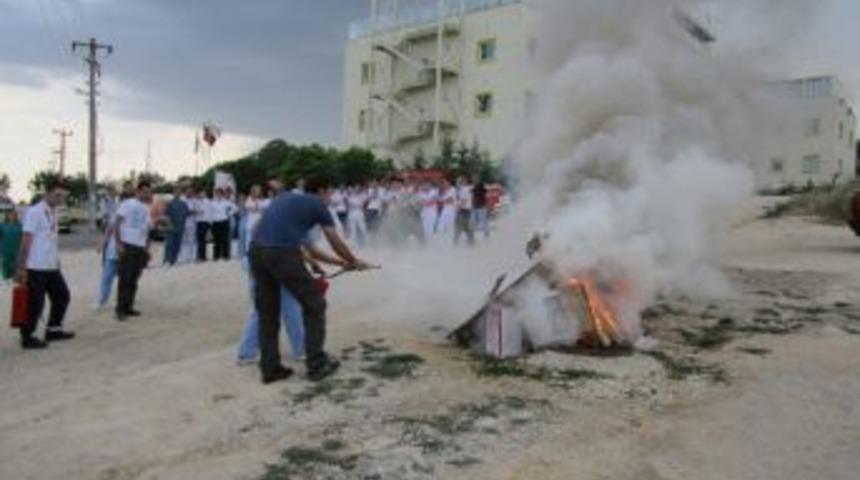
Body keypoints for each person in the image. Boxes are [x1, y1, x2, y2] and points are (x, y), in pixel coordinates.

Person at [250, 177, 372, 384]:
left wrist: (343, 264)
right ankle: (316, 365)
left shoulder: (287, 199)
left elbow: (311, 250)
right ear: (322, 190)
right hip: (281, 253)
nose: (331, 198)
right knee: (315, 305)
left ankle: (270, 369)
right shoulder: (318, 206)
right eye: (330, 193)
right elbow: (334, 240)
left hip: (257, 251)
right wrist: (352, 260)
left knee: (268, 313)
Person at [15, 180, 74, 349]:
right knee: (35, 303)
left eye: (63, 196)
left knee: (62, 296)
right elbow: (26, 240)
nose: (60, 199)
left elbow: (50, 240)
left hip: (51, 265)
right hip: (35, 266)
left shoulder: (54, 211)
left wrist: (57, 261)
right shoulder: (35, 212)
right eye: (57, 195)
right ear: (46, 193)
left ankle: (54, 329)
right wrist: (21, 267)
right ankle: (27, 337)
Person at [114, 181, 154, 321]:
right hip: (127, 244)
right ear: (138, 191)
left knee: (134, 278)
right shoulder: (128, 204)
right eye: (144, 191)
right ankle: (120, 309)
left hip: (140, 246)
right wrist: (118, 243)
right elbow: (117, 223)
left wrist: (147, 248)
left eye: (149, 192)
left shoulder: (147, 207)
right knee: (125, 278)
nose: (147, 194)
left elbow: (147, 228)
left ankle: (128, 306)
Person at [163, 186, 190, 266]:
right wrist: (168, 224)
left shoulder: (183, 204)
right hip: (171, 227)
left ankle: (173, 260)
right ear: (173, 193)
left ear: (180, 194)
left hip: (180, 227)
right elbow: (166, 215)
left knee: (177, 244)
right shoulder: (169, 203)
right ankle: (166, 260)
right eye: (175, 192)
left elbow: (186, 213)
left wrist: (194, 212)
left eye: (179, 192)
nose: (177, 193)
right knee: (169, 244)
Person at [1, 207, 22, 284]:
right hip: (5, 250)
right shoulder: (2, 225)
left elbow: (23, 237)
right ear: (8, 215)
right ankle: (5, 278)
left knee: (16, 265)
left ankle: (15, 278)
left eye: (16, 214)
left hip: (17, 250)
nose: (14, 216)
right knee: (5, 265)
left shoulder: (20, 226)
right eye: (12, 214)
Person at [454, 176, 475, 246]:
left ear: (463, 182)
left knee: (459, 226)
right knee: (465, 226)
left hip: (464, 210)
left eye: (458, 182)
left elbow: (463, 200)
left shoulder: (464, 189)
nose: (457, 183)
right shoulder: (462, 189)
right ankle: (471, 241)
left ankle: (456, 242)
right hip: (465, 210)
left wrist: (457, 208)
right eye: (457, 182)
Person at [179, 188, 197, 263]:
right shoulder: (181, 199)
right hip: (182, 223)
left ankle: (191, 257)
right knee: (182, 241)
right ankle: (181, 258)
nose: (189, 193)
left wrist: (191, 212)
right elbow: (182, 211)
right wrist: (189, 212)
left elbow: (196, 211)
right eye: (188, 192)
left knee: (191, 241)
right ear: (185, 192)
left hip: (192, 223)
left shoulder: (194, 200)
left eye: (191, 192)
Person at [194, 191, 212, 262]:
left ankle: (202, 257)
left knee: (203, 241)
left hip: (205, 222)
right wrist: (197, 212)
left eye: (203, 193)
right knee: (199, 240)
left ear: (205, 194)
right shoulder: (197, 202)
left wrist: (210, 223)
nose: (201, 194)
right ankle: (200, 256)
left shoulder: (208, 202)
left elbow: (210, 212)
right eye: (200, 193)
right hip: (199, 222)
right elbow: (196, 211)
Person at [472, 175, 490, 239]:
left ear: (478, 179)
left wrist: (487, 204)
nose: (474, 179)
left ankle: (486, 234)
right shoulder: (473, 186)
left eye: (475, 178)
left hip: (481, 206)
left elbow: (485, 193)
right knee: (473, 221)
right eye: (473, 178)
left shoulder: (481, 185)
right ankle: (471, 236)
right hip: (475, 206)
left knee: (483, 220)